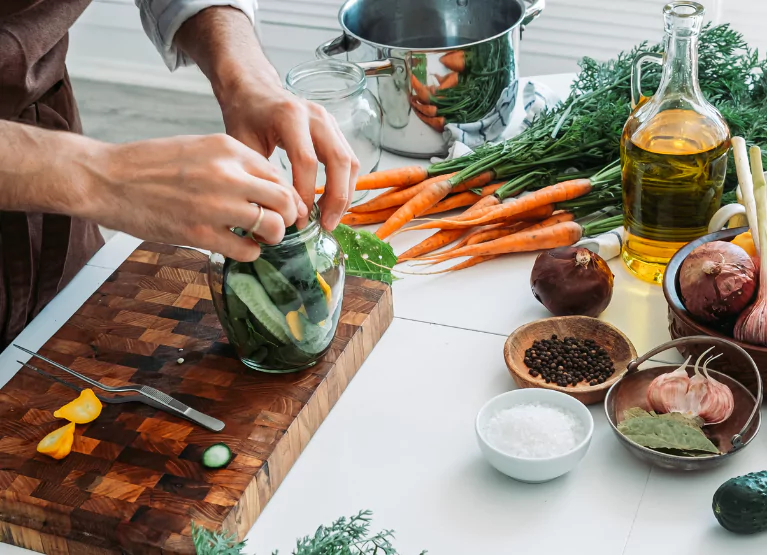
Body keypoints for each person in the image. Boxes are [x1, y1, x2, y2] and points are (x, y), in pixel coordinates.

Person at [0, 1, 359, 346]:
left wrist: (247, 76)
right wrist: (105, 177)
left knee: (62, 349)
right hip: (63, 171)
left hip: (55, 199)